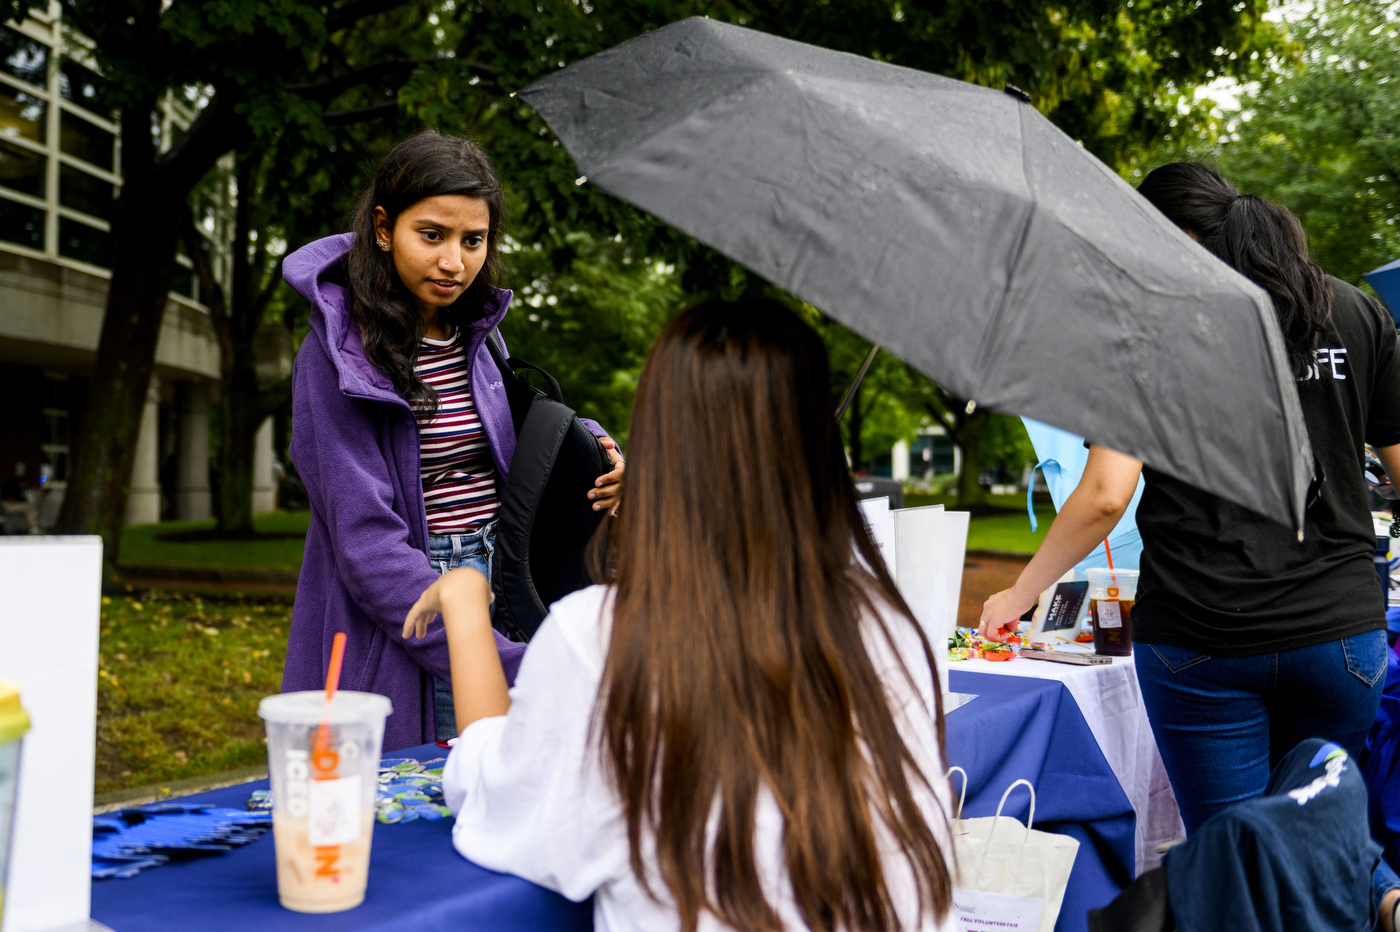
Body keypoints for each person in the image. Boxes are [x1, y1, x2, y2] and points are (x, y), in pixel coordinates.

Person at [404, 299, 955, 932]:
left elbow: (497, 799)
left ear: (664, 444)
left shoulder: (602, 637)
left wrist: (467, 606)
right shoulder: (887, 629)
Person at [979, 163, 1400, 914]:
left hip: (1204, 640)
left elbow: (1106, 493)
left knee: (1232, 867)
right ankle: (1383, 901)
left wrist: (1021, 587)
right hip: (1340, 636)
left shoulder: (1149, 327)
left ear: (1176, 237)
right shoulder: (1355, 314)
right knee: (1318, 824)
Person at [282, 130, 623, 748]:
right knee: (442, 790)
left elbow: (518, 425)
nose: (454, 263)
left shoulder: (476, 334)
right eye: (432, 235)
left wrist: (596, 446)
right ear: (384, 228)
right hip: (416, 600)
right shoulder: (334, 358)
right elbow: (366, 544)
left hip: (506, 578)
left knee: (516, 780)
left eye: (474, 240)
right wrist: (488, 654)